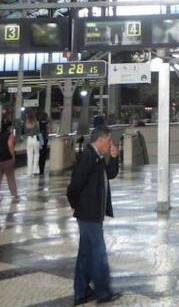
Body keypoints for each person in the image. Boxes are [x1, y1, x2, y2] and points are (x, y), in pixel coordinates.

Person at [67, 125, 120, 304]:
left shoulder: (97, 157)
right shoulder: (88, 157)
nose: (110, 143)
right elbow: (75, 184)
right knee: (98, 254)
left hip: (92, 213)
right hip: (88, 213)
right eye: (109, 139)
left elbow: (109, 174)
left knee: (86, 254)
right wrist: (74, 204)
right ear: (101, 139)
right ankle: (103, 292)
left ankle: (81, 292)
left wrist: (114, 158)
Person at [0, 118, 18, 203]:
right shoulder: (10, 135)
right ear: (9, 127)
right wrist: (13, 156)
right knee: (10, 177)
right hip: (7, 159)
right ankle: (14, 195)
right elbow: (10, 145)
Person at [24, 113, 41, 177]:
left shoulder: (26, 124)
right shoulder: (37, 123)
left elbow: (25, 132)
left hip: (29, 139)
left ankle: (29, 172)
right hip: (36, 138)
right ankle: (35, 171)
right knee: (36, 155)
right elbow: (38, 131)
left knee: (29, 156)